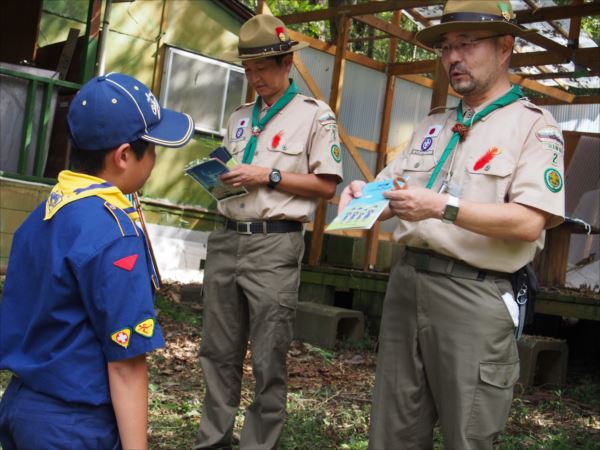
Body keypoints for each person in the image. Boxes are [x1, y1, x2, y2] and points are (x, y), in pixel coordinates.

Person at [339, 1, 565, 448]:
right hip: (406, 285)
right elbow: (391, 190)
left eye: (466, 45)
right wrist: (361, 197)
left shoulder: (533, 127)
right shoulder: (436, 123)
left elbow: (528, 222)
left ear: (505, 48)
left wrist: (442, 206)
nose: (453, 58)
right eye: (446, 48)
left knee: (469, 434)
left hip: (475, 294)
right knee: (394, 431)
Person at [0, 72, 194, 449]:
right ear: (123, 156)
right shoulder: (114, 235)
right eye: (152, 148)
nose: (154, 159)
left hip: (21, 407)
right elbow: (125, 363)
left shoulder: (43, 215)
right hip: (75, 427)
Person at [195, 14, 343, 450]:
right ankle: (213, 440)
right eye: (248, 69)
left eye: (263, 67)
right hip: (227, 237)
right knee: (217, 351)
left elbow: (328, 184)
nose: (255, 77)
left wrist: (268, 176)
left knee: (267, 354)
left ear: (287, 63)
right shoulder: (240, 116)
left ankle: (259, 443)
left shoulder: (315, 116)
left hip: (274, 243)